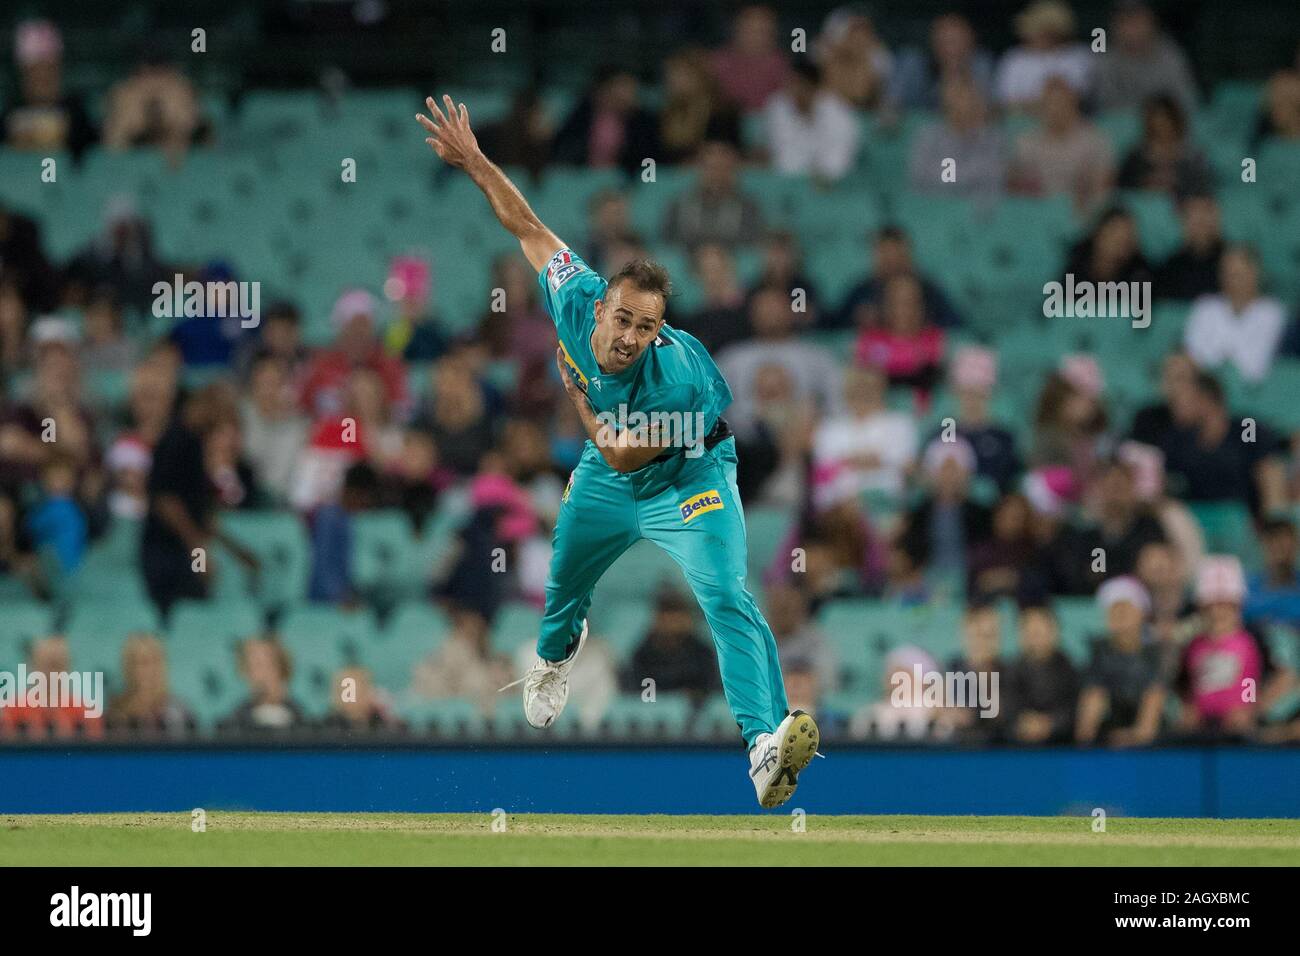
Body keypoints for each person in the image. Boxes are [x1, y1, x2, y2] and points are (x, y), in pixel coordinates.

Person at [417, 94, 818, 807]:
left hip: (689, 474)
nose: (633, 336)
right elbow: (529, 228)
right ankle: (551, 660)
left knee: (726, 593)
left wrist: (575, 388)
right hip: (608, 477)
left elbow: (627, 450)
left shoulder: (680, 378)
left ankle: (763, 743)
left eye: (648, 326)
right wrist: (478, 163)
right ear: (601, 307)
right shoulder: (576, 298)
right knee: (564, 588)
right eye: (625, 319)